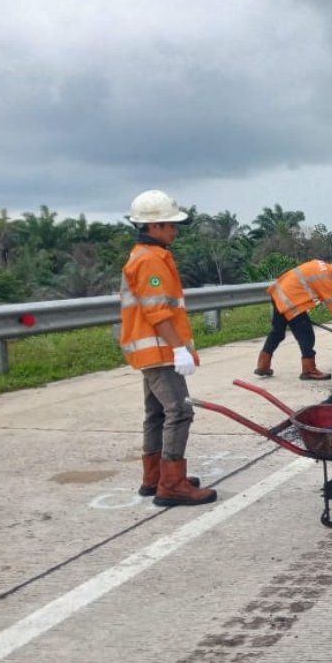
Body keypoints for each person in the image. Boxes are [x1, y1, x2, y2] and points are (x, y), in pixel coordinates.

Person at [120, 190, 216, 506]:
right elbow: (158, 311)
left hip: (153, 350)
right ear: (155, 225)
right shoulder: (149, 260)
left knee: (156, 413)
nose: (175, 230)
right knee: (179, 411)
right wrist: (179, 349)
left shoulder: (150, 255)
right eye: (171, 225)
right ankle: (171, 484)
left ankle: (154, 478)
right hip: (160, 350)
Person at [255, 250, 332, 381]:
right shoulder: (327, 278)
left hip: (279, 293)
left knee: (277, 332)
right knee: (307, 335)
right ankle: (309, 370)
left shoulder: (322, 268)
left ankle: (263, 365)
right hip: (291, 301)